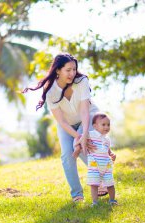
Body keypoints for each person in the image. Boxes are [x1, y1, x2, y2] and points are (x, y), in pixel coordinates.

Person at [23, 53, 108, 202]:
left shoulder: (82, 81)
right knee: (67, 155)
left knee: (82, 146)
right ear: (58, 71)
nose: (72, 73)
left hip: (88, 117)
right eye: (68, 70)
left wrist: (84, 135)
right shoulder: (50, 91)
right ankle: (77, 195)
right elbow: (61, 121)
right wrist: (77, 136)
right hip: (67, 124)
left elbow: (84, 111)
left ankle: (101, 180)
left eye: (74, 69)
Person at [84, 113, 117, 206]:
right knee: (94, 184)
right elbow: (80, 138)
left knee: (110, 183)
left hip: (106, 166)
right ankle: (95, 202)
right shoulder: (91, 134)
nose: (106, 127)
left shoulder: (107, 139)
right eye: (103, 124)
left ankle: (112, 200)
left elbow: (108, 150)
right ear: (95, 126)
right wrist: (78, 147)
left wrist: (112, 154)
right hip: (95, 165)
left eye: (108, 124)